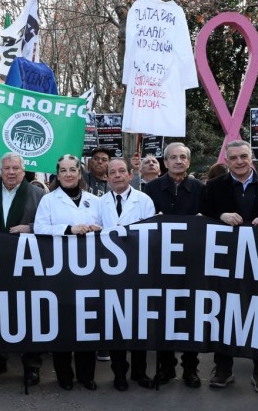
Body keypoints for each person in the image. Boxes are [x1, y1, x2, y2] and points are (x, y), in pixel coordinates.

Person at [203, 140, 258, 394]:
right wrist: (220, 216)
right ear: (226, 161)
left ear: (251, 158)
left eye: (243, 156)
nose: (239, 161)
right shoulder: (214, 186)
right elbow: (202, 217)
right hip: (224, 261)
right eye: (234, 157)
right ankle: (223, 368)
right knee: (224, 312)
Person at [0, 152, 47, 386]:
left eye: (16, 168)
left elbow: (48, 223)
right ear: (0, 171)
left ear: (23, 171)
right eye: (6, 168)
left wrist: (31, 227)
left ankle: (32, 364)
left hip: (28, 264)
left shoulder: (38, 195)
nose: (11, 172)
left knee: (29, 314)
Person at [34, 154, 102, 391]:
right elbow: (40, 228)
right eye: (63, 170)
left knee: (87, 322)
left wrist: (98, 228)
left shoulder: (95, 200)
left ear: (79, 172)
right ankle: (64, 375)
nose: (68, 174)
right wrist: (68, 229)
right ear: (58, 174)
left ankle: (86, 375)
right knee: (62, 322)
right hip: (60, 270)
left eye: (72, 169)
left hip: (89, 270)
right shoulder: (48, 200)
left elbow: (108, 229)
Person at [143, 142, 206, 388]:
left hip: (192, 262)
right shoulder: (151, 188)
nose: (178, 161)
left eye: (183, 157)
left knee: (191, 315)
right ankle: (166, 367)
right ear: (165, 162)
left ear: (188, 161)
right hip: (161, 263)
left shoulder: (201, 188)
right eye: (173, 157)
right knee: (163, 314)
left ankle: (190, 368)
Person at [98, 157, 156, 391]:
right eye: (112, 172)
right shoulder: (100, 203)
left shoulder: (144, 200)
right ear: (107, 177)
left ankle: (140, 372)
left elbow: (152, 232)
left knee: (139, 324)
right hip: (110, 272)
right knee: (115, 324)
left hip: (139, 271)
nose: (117, 175)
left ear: (130, 175)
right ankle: (119, 373)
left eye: (122, 171)